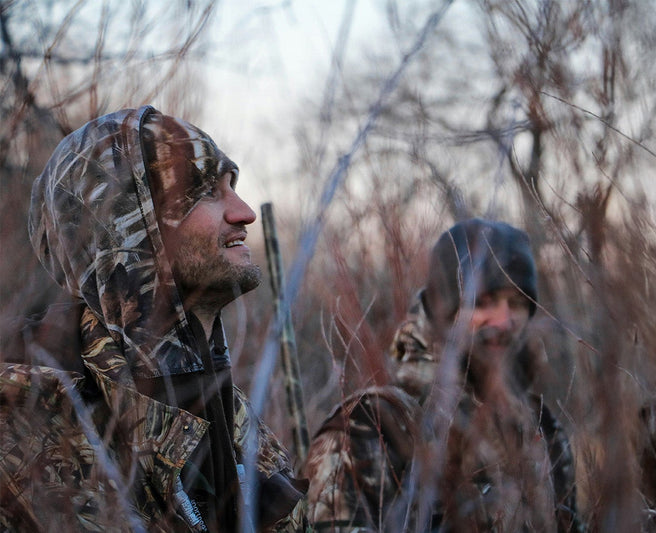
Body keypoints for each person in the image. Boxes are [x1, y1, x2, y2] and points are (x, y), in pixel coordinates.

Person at [0, 107, 303, 531]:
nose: (245, 212)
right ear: (125, 228)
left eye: (233, 187)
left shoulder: (241, 423)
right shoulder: (27, 428)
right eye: (206, 193)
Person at [302, 219, 579, 531]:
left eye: (516, 303)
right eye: (482, 302)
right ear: (443, 312)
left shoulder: (541, 427)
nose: (503, 321)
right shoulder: (372, 425)